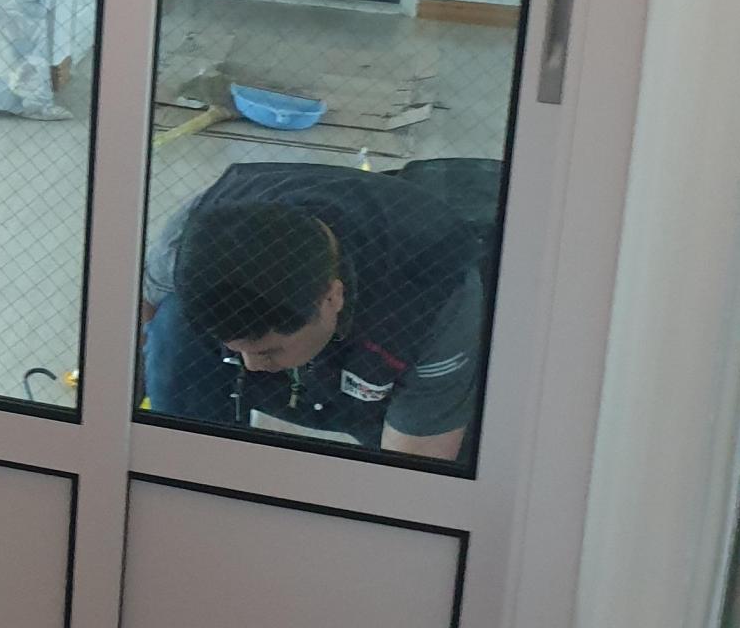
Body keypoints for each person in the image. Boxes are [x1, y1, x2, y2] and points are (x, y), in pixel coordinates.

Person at [142, 162, 489, 459]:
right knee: (172, 326)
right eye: (239, 349)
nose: (251, 365)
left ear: (332, 297)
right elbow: (137, 320)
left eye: (268, 351)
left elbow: (416, 467)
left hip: (384, 365)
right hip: (314, 339)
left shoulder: (437, 289)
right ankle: (190, 457)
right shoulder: (193, 238)